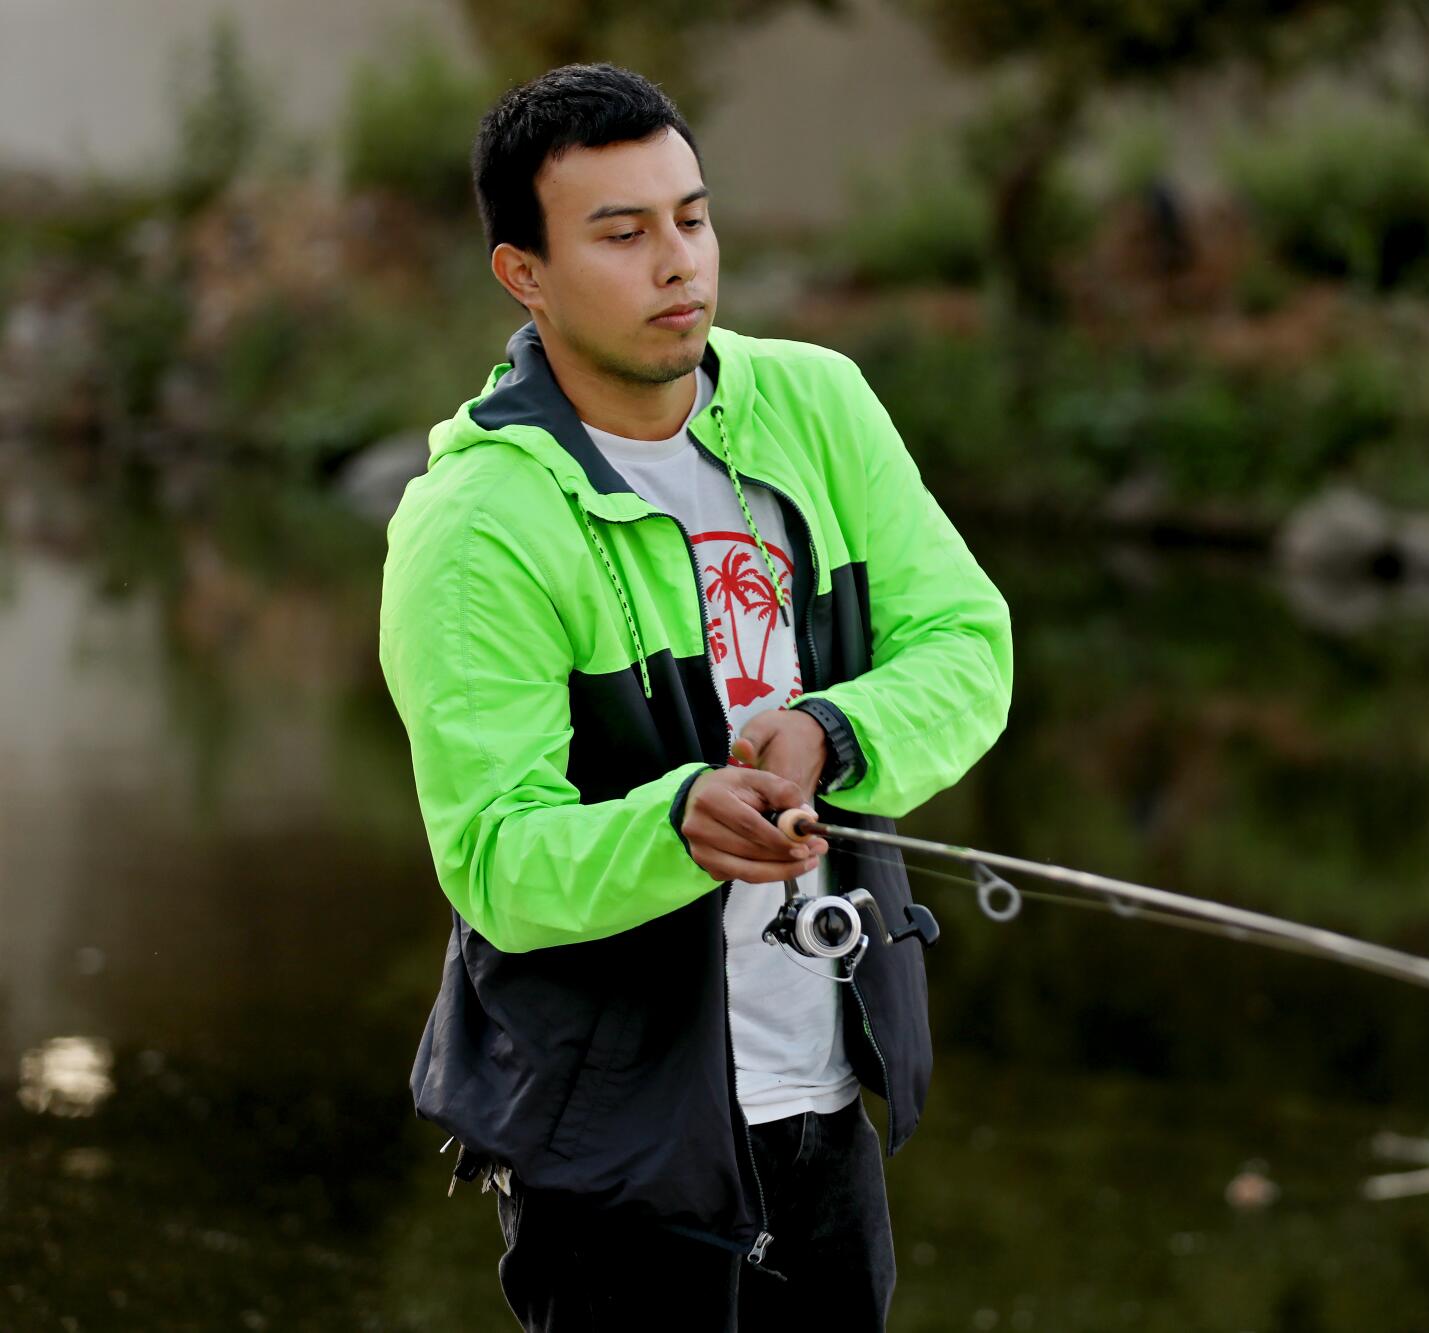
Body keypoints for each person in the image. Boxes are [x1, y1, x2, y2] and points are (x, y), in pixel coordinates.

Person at [376, 62, 1013, 1331]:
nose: (677, 262)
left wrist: (834, 731)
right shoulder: (474, 525)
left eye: (691, 217)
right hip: (613, 1141)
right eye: (620, 233)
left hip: (827, 1102)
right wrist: (678, 825)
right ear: (525, 274)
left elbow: (967, 642)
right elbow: (495, 856)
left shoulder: (817, 403)